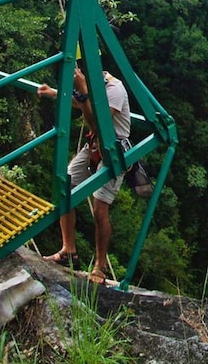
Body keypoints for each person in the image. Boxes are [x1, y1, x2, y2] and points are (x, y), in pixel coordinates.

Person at [37, 66, 130, 285]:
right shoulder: (92, 87)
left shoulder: (114, 90)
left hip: (114, 149)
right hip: (95, 145)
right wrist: (53, 93)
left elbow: (97, 123)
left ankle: (100, 266)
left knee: (100, 207)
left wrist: (84, 90)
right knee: (66, 185)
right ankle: (69, 250)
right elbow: (79, 103)